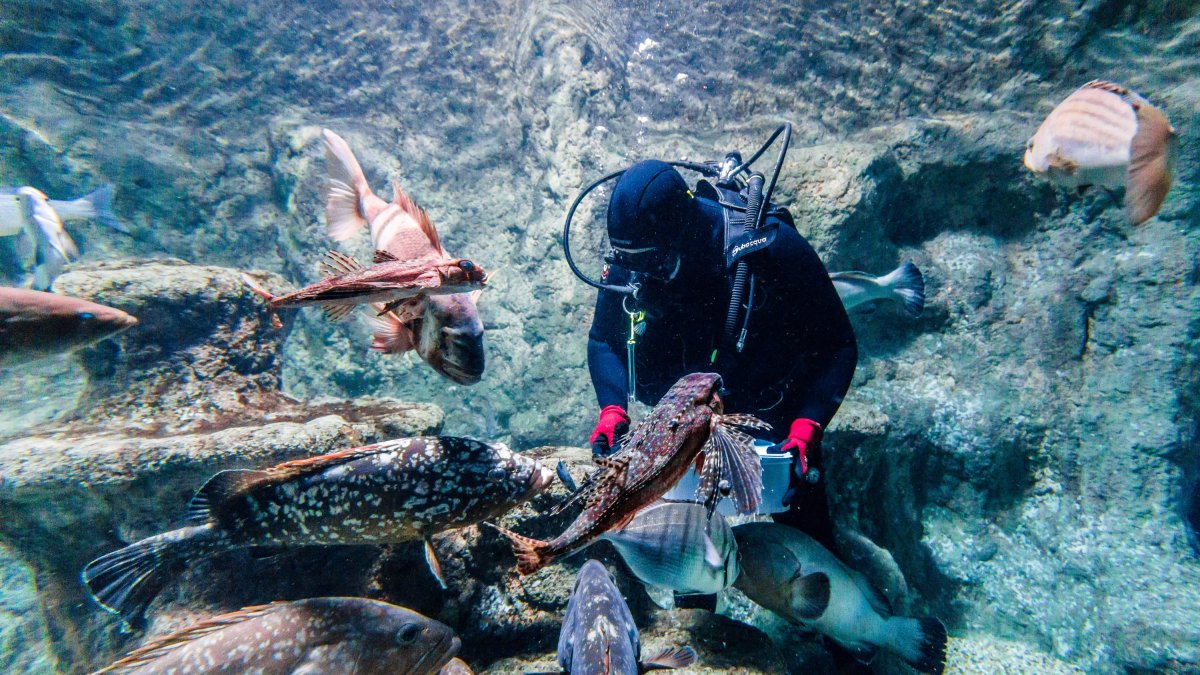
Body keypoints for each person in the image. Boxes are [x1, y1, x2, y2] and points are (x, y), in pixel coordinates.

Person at [585, 159, 858, 549]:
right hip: (685, 425)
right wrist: (612, 409)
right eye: (632, 261)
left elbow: (838, 343)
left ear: (684, 231)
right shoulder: (635, 264)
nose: (641, 276)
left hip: (776, 418)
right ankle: (695, 612)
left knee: (809, 558)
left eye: (653, 261)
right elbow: (604, 340)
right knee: (688, 559)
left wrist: (808, 425)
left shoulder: (769, 247)